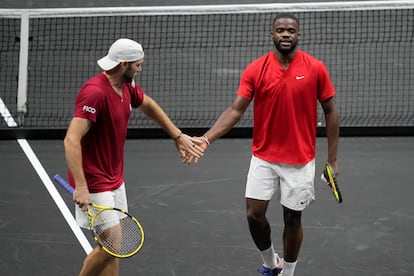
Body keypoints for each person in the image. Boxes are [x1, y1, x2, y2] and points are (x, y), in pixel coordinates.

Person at [191, 13, 339, 276]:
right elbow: (235, 111)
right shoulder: (256, 69)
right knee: (253, 214)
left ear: (298, 35)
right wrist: (206, 138)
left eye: (290, 31)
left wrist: (332, 160)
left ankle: (289, 272)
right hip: (264, 157)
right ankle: (272, 263)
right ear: (272, 35)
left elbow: (330, 110)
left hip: (300, 159)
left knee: (292, 218)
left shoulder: (315, 68)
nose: (285, 34)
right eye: (280, 30)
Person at [63, 38, 204, 276]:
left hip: (115, 179)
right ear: (124, 64)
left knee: (112, 247)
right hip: (95, 183)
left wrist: (177, 136)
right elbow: (71, 139)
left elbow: (147, 104)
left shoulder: (127, 86)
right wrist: (82, 186)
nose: (141, 68)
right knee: (111, 247)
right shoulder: (95, 94)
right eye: (138, 64)